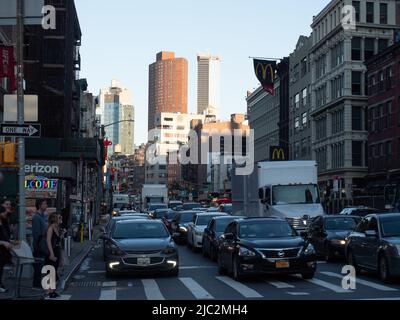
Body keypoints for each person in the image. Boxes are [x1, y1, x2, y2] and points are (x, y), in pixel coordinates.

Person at [45, 213, 63, 299]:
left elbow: (58, 241)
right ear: (55, 219)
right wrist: (51, 253)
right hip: (52, 252)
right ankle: (49, 292)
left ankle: (52, 291)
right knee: (51, 272)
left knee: (55, 271)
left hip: (57, 251)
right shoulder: (50, 228)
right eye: (59, 217)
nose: (61, 218)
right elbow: (48, 241)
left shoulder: (57, 228)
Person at [32, 199, 49, 288]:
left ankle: (40, 283)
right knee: (39, 265)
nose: (46, 205)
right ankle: (37, 285)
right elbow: (36, 234)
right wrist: (37, 246)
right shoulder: (36, 217)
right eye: (44, 204)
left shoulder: (44, 216)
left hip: (44, 244)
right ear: (39, 205)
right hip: (39, 245)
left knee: (42, 265)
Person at [0, 206, 12, 293]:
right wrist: (3, 242)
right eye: (3, 212)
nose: (5, 213)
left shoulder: (3, 222)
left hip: (3, 250)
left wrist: (9, 241)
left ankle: (0, 284)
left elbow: (5, 235)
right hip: (2, 247)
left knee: (1, 267)